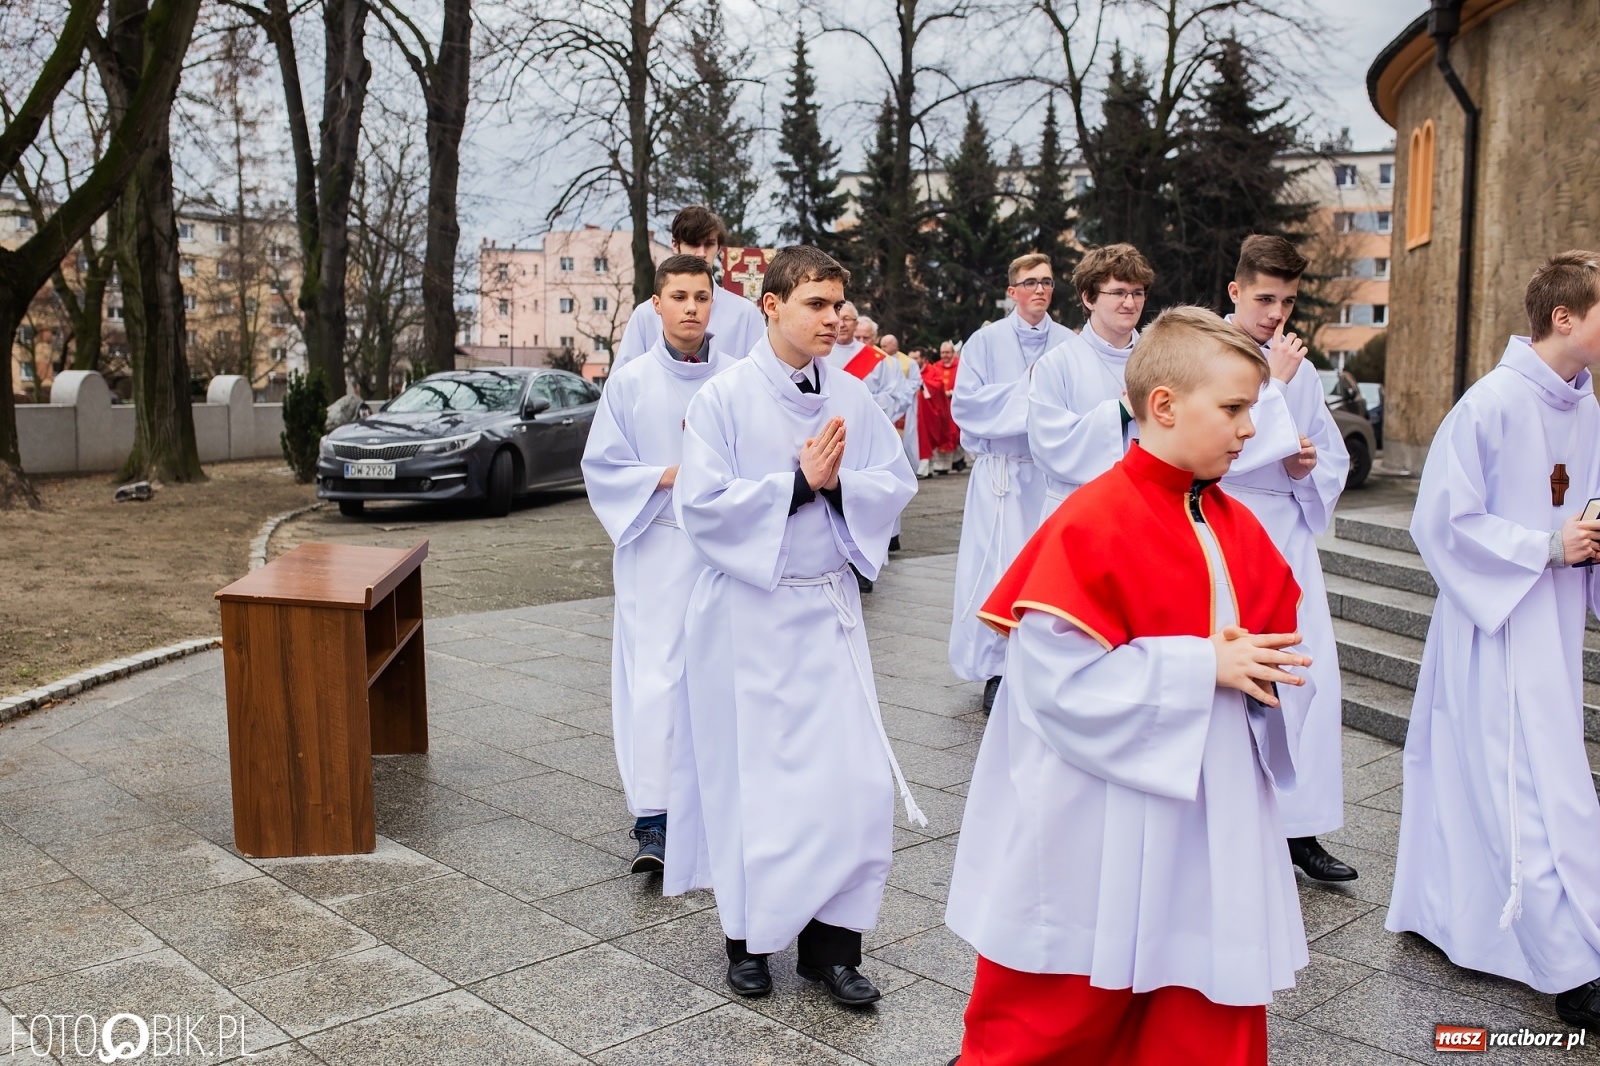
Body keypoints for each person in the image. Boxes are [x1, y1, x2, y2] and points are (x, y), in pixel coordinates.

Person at [946, 306, 1312, 1066]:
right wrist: (1202, 666)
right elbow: (1054, 684)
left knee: (1196, 996)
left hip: (1209, 808)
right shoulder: (1094, 520)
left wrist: (1258, 675)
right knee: (1070, 1006)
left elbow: (1268, 648)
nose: (1250, 429)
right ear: (1165, 406)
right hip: (1103, 814)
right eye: (1234, 409)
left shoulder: (1233, 520)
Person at [667, 244, 922, 1008]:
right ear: (772, 306)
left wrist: (839, 487)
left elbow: (895, 482)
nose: (833, 318)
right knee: (758, 785)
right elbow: (700, 506)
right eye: (817, 303)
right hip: (749, 617)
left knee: (850, 785)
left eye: (838, 304)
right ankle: (747, 941)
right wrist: (798, 485)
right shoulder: (724, 397)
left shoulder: (852, 395)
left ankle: (832, 950)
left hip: (827, 612)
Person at [1386, 251, 1600, 1028]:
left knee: (1539, 779)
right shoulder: (1491, 404)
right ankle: (1568, 967)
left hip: (1554, 623)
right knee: (1522, 790)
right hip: (1498, 624)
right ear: (1564, 317)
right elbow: (1442, 521)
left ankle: (1460, 915)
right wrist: (1548, 546)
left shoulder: (1588, 407)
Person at [580, 254, 734, 874]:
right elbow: (602, 467)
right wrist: (669, 475)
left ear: (713, 303)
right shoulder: (631, 382)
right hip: (658, 543)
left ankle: (722, 806)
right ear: (657, 305)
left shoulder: (738, 377)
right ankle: (655, 819)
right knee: (658, 679)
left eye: (701, 296)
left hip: (723, 548)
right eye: (679, 297)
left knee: (724, 672)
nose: (691, 308)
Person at [1220, 234, 1356, 883]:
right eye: (1265, 299)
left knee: (1307, 676)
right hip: (1229, 526)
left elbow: (1332, 455)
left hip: (1290, 535)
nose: (1277, 314)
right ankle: (1235, 821)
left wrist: (1306, 468)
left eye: (1289, 302)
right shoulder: (1209, 352)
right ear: (1236, 291)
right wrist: (1273, 385)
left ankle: (1300, 828)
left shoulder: (1297, 365)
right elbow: (1207, 446)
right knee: (1243, 677)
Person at [948, 254, 1073, 714]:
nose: (1040, 289)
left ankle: (1043, 663)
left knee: (1047, 569)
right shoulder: (984, 341)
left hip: (1048, 472)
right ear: (1012, 290)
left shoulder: (1068, 343)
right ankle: (997, 668)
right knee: (996, 568)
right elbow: (966, 405)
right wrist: (1029, 388)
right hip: (1000, 474)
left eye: (1047, 282)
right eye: (1030, 282)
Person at [613, 205, 767, 367]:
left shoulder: (746, 314)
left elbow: (761, 375)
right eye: (693, 243)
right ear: (675, 244)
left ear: (718, 248)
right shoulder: (645, 315)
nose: (701, 253)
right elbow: (625, 377)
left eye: (709, 244)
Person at [920, 341, 963, 476]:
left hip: (957, 403)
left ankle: (958, 459)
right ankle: (943, 465)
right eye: (942, 353)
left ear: (953, 353)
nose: (945, 355)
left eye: (947, 352)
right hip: (940, 404)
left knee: (956, 433)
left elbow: (964, 382)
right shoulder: (936, 367)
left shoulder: (961, 366)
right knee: (943, 431)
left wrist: (953, 392)